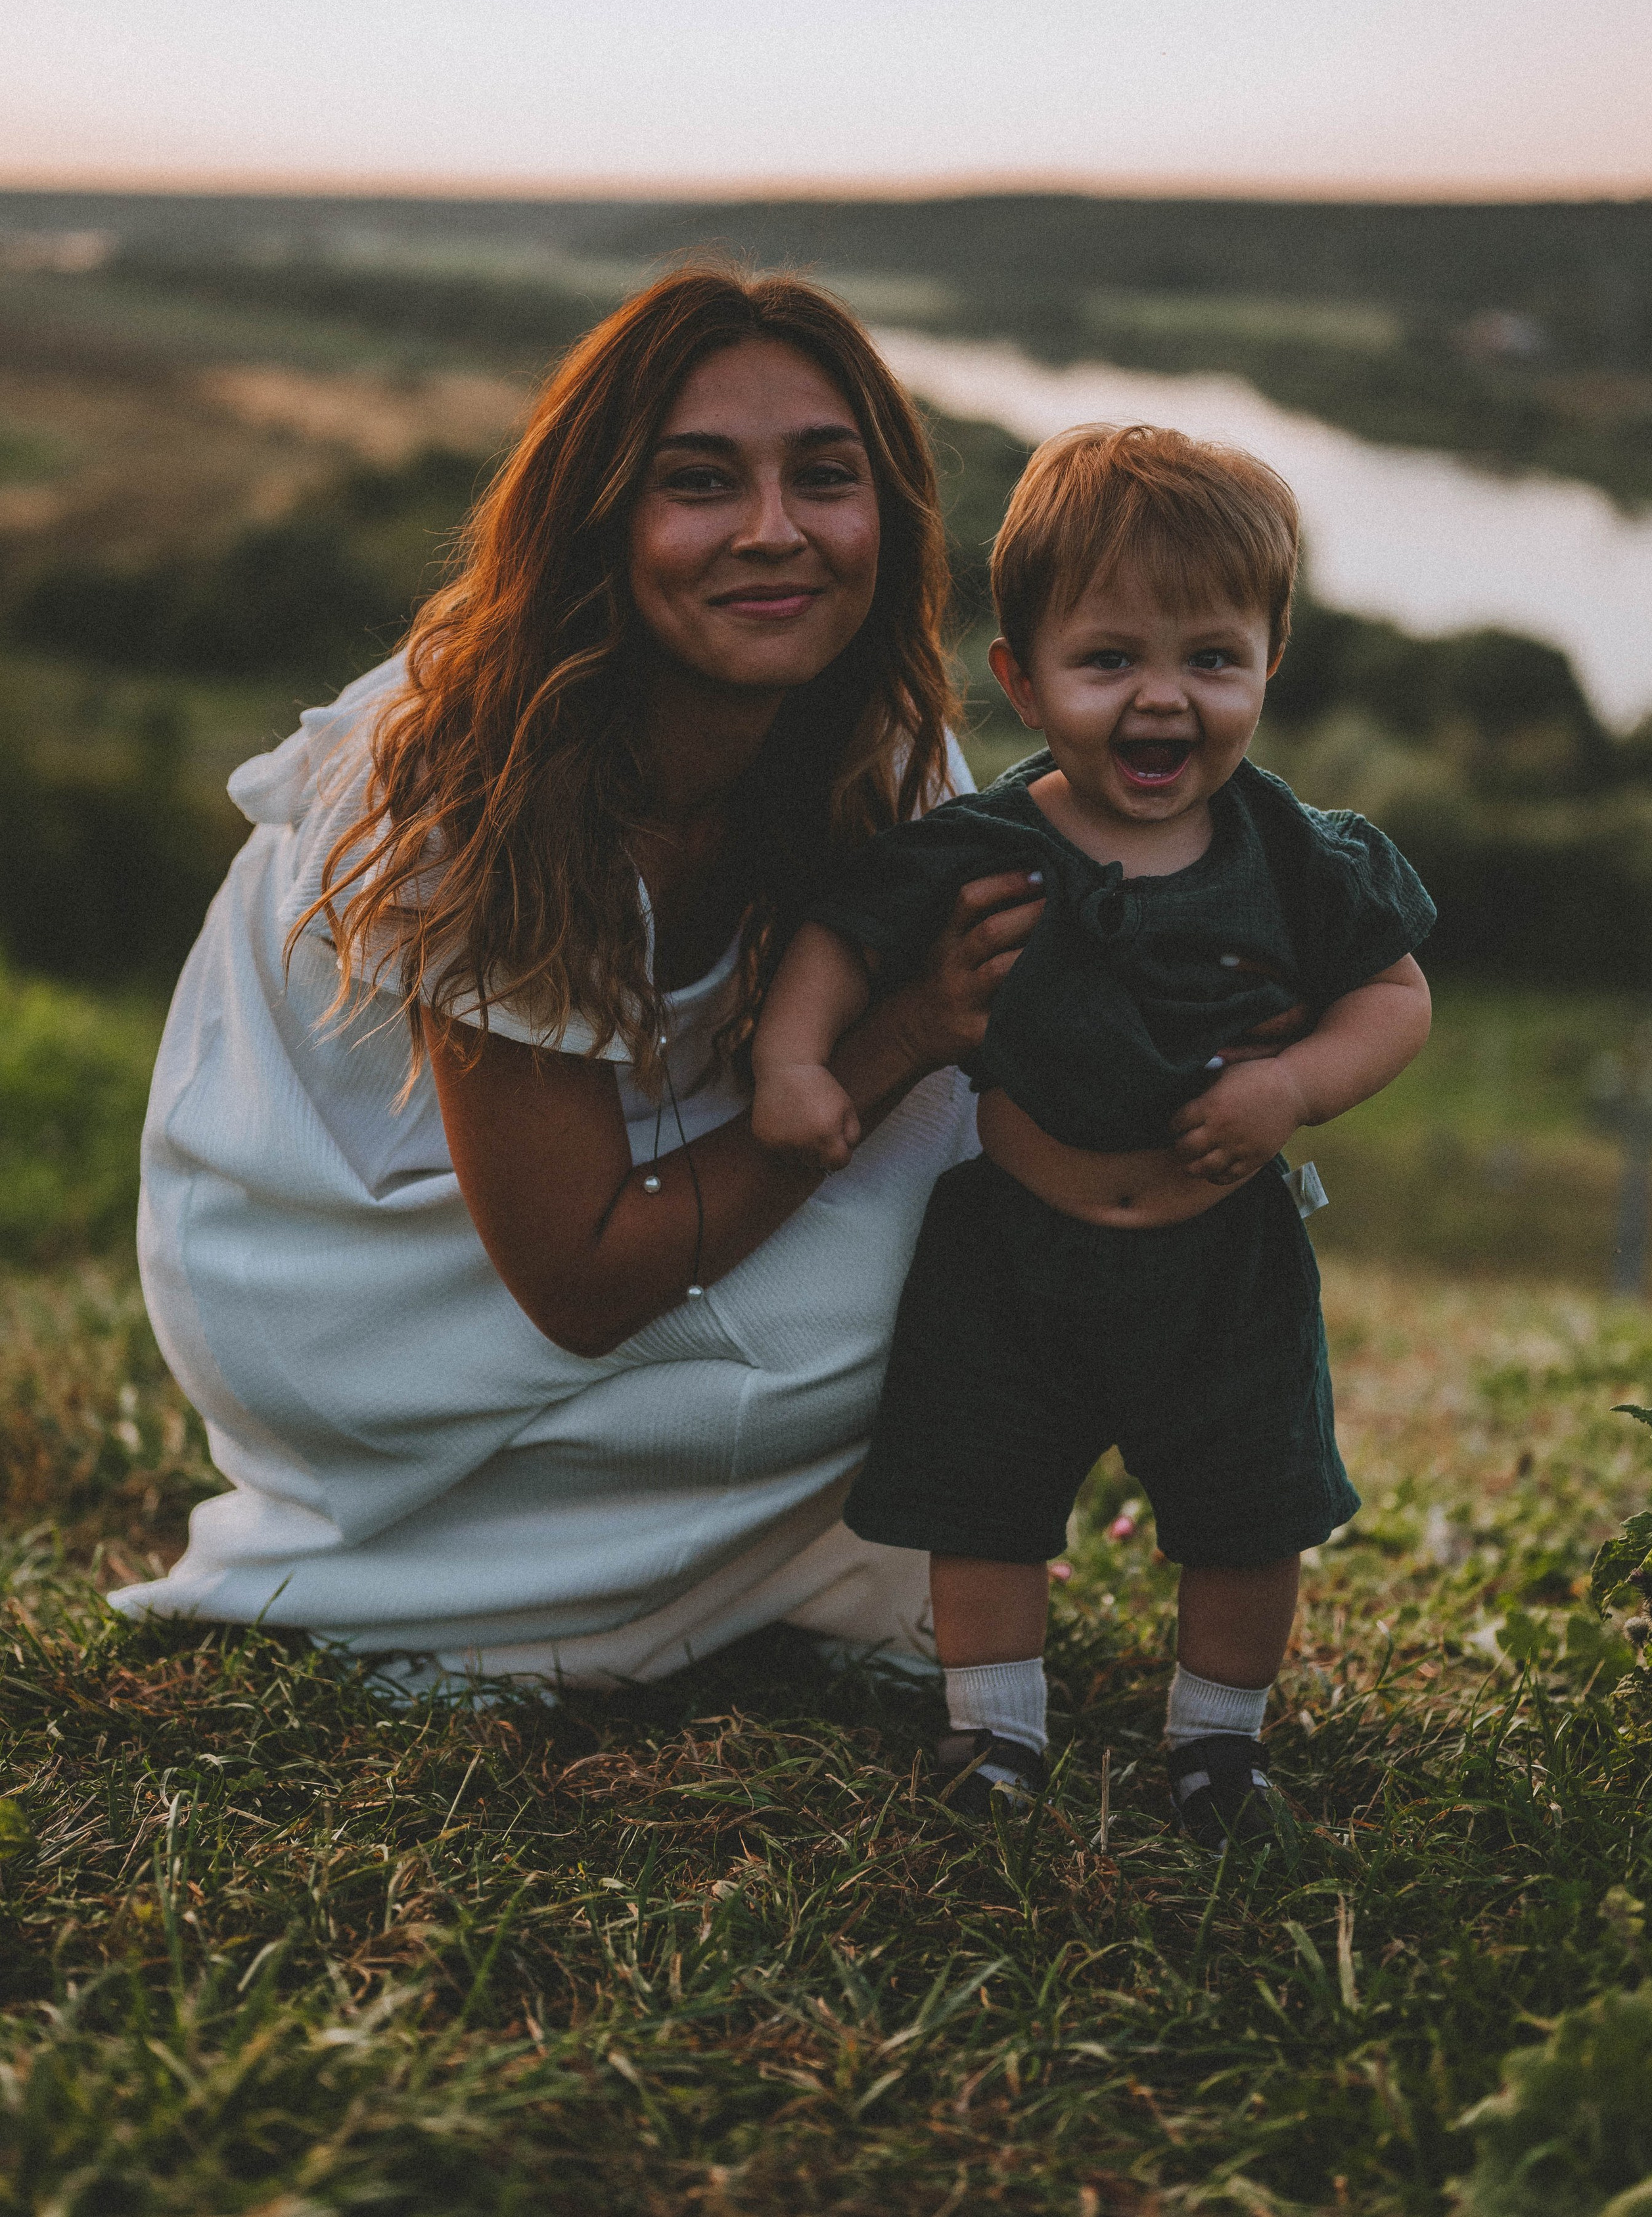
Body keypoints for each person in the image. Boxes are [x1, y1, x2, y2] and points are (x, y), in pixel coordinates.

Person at [112, 268, 1044, 1690]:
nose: (773, 530)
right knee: (920, 1272)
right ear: (600, 520)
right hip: (350, 1269)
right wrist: (893, 1039)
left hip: (623, 1183)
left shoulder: (872, 736)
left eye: (824, 476)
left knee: (1015, 1206)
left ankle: (781, 1556)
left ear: (892, 512)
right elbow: (583, 1281)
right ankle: (466, 1583)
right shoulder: (465, 772)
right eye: (698, 481)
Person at [752, 423, 1435, 1845]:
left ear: (1266, 663)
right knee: (984, 1507)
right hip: (1012, 1251)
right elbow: (839, 930)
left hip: (1221, 1261)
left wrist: (1294, 1084)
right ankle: (992, 1734)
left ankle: (1218, 1749)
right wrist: (791, 1056)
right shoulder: (983, 844)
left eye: (1208, 658)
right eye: (1108, 658)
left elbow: (1394, 994)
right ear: (1019, 675)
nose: (1161, 700)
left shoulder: (1297, 853)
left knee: (1248, 1519)